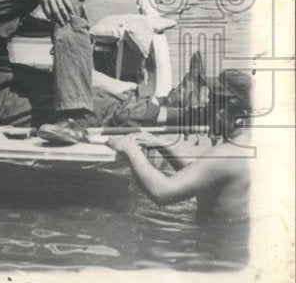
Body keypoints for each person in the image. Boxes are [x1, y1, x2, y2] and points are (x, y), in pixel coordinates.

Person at [107, 69, 252, 223]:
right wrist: (163, 145)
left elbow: (162, 193)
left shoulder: (225, 155)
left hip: (212, 241)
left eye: (214, 105)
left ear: (239, 116)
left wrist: (131, 150)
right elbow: (204, 176)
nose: (205, 110)